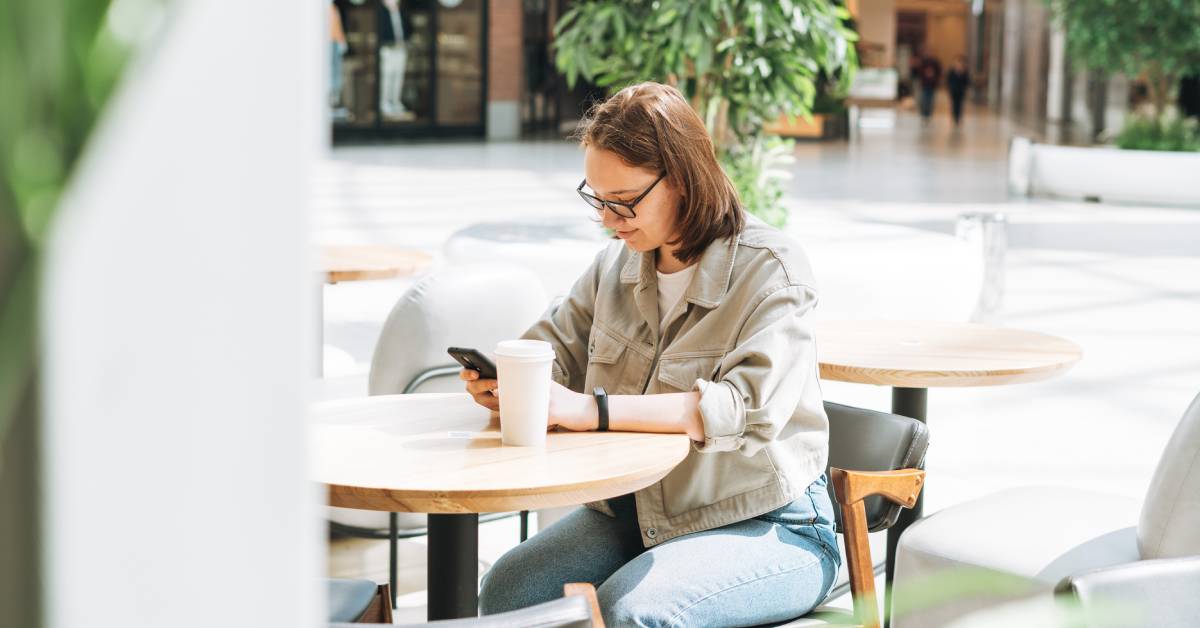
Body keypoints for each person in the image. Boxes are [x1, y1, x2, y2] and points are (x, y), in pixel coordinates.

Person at [463, 82, 840, 627]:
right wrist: (505, 382)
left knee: (637, 614)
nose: (609, 220)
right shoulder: (614, 267)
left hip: (768, 523)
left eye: (624, 202)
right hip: (636, 513)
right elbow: (551, 350)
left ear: (684, 179)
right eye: (598, 200)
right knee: (510, 591)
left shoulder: (772, 269)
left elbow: (745, 411)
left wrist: (588, 410)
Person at [947, 56, 970, 126]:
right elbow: (949, 80)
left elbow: (967, 81)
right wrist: (950, 88)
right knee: (954, 105)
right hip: (953, 91)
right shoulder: (952, 71)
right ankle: (954, 117)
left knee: (960, 105)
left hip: (961, 91)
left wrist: (965, 88)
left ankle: (959, 118)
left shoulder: (964, 72)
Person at [917, 53, 941, 122]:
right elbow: (920, 72)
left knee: (930, 100)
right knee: (924, 99)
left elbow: (939, 72)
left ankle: (928, 114)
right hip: (924, 84)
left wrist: (934, 77)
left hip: (932, 85)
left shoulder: (935, 62)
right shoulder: (923, 62)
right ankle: (924, 113)